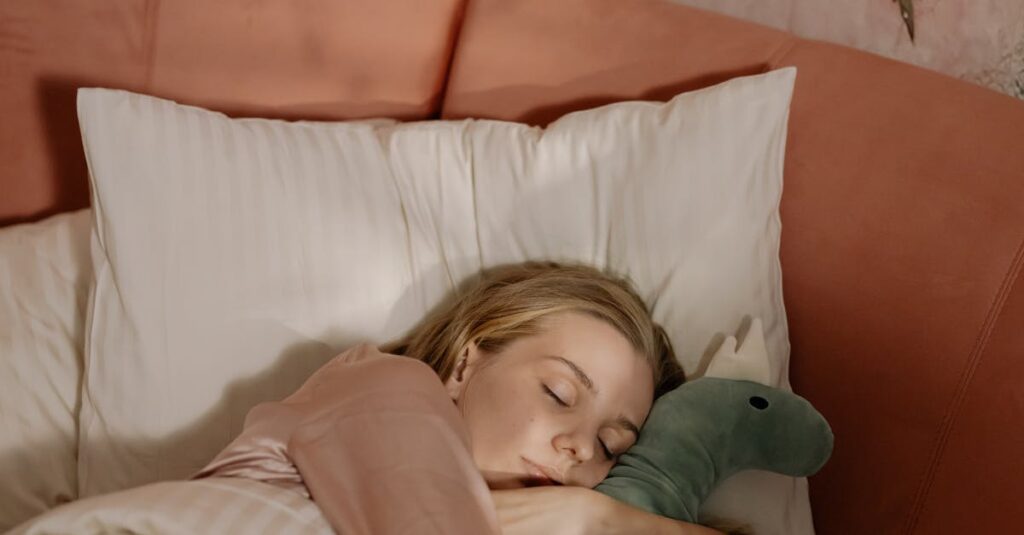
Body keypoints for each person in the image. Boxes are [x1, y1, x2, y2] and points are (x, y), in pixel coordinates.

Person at [194, 262, 724, 535]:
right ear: (466, 364)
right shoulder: (388, 385)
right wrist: (599, 520)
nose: (582, 448)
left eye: (611, 446)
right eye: (559, 393)